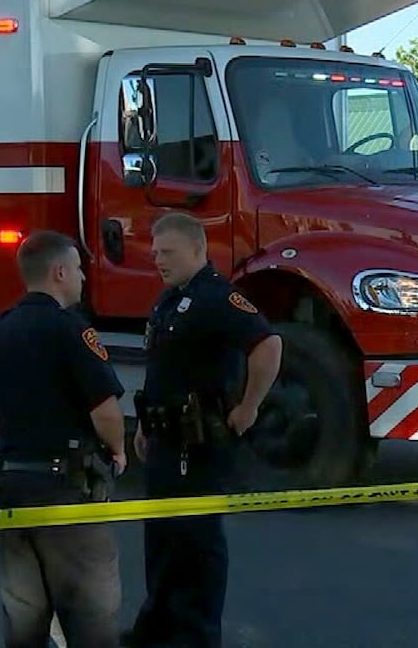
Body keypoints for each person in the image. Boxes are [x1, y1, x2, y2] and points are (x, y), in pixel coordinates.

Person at [124, 213, 284, 648]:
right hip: (163, 438)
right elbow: (163, 368)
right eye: (156, 252)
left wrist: (249, 406)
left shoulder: (217, 298)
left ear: (197, 250)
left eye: (168, 252)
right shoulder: (169, 300)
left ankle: (196, 636)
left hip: (197, 444)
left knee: (196, 544)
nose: (158, 259)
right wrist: (144, 425)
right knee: (161, 539)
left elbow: (268, 345)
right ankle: (156, 629)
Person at [0, 230, 128, 648]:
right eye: (78, 269)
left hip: (13, 487)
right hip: (66, 492)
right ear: (59, 272)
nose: (82, 278)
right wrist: (118, 451)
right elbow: (106, 412)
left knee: (24, 614)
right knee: (91, 613)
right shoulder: (71, 331)